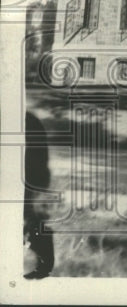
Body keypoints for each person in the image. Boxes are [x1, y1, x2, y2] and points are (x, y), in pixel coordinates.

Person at [24, 111, 54, 280]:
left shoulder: (29, 121)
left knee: (33, 219)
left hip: (30, 180)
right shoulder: (30, 120)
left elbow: (39, 162)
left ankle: (43, 266)